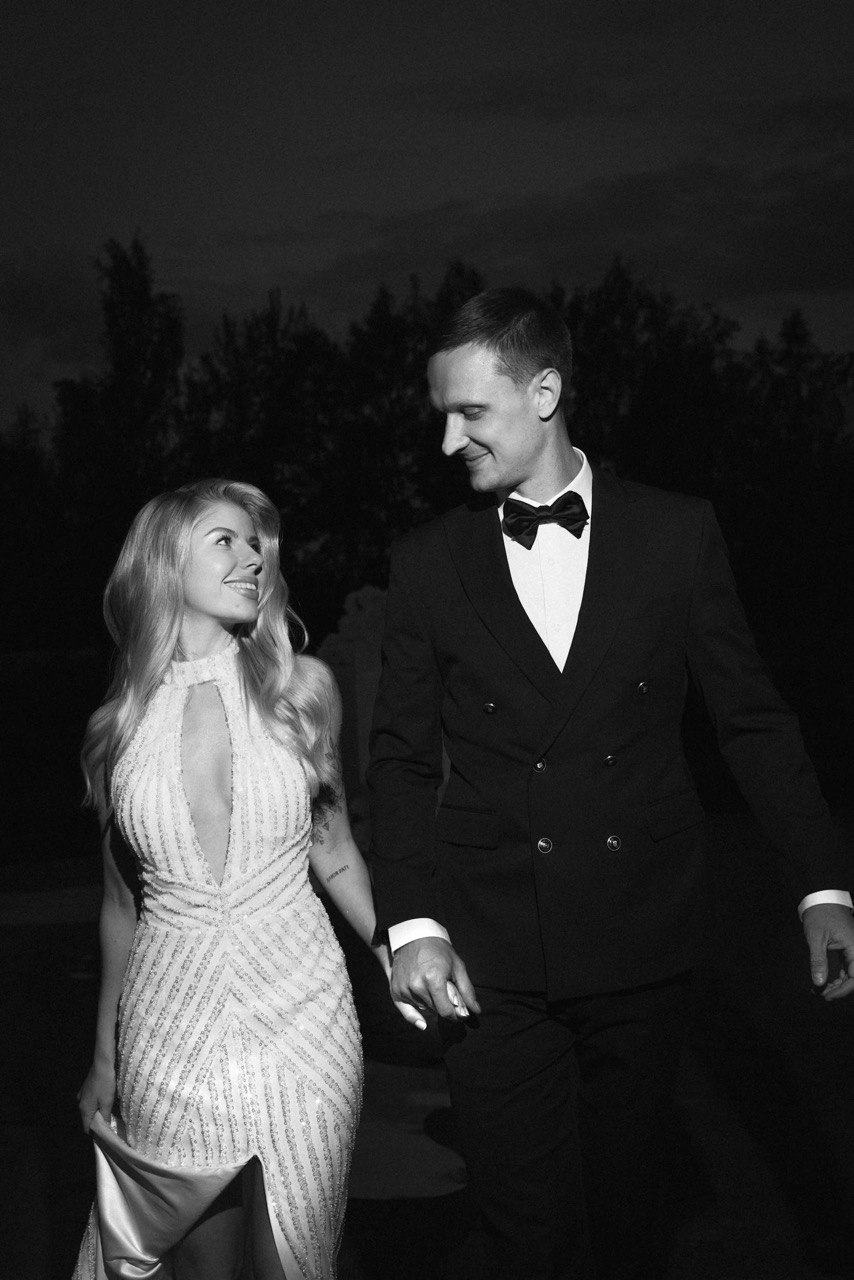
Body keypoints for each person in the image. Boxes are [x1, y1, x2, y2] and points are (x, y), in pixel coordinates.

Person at [366, 288, 854, 1280]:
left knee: (629, 1220)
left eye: (471, 412)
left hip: (639, 934)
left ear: (544, 392)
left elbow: (750, 720)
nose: (449, 440)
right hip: (487, 958)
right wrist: (411, 923)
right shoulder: (426, 563)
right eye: (442, 416)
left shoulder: (676, 533)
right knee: (525, 1234)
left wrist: (821, 883)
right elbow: (401, 759)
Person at [73, 478, 420, 1280]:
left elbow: (335, 850)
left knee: (298, 1260)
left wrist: (394, 948)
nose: (252, 557)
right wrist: (105, 1058)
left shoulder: (302, 692)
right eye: (224, 540)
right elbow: (122, 904)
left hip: (304, 1017)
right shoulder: (119, 726)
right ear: (165, 561)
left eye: (256, 542)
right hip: (169, 1032)